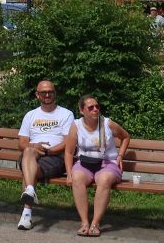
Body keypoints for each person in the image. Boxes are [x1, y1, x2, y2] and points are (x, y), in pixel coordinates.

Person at [64, 95, 131, 237]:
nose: (95, 109)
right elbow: (69, 153)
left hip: (107, 163)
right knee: (77, 178)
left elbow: (126, 136)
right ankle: (84, 223)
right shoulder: (76, 126)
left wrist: (120, 155)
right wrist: (69, 174)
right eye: (90, 107)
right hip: (85, 163)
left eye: (97, 106)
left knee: (104, 179)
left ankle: (95, 223)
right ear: (82, 110)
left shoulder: (107, 123)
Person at [16, 79, 75, 231]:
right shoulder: (30, 115)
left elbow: (68, 142)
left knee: (28, 169)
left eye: (50, 92)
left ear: (55, 94)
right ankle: (30, 191)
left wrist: (49, 151)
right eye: (44, 92)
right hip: (32, 155)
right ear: (37, 95)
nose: (47, 94)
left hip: (55, 157)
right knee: (28, 151)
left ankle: (27, 213)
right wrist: (34, 146)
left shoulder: (66, 114)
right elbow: (22, 143)